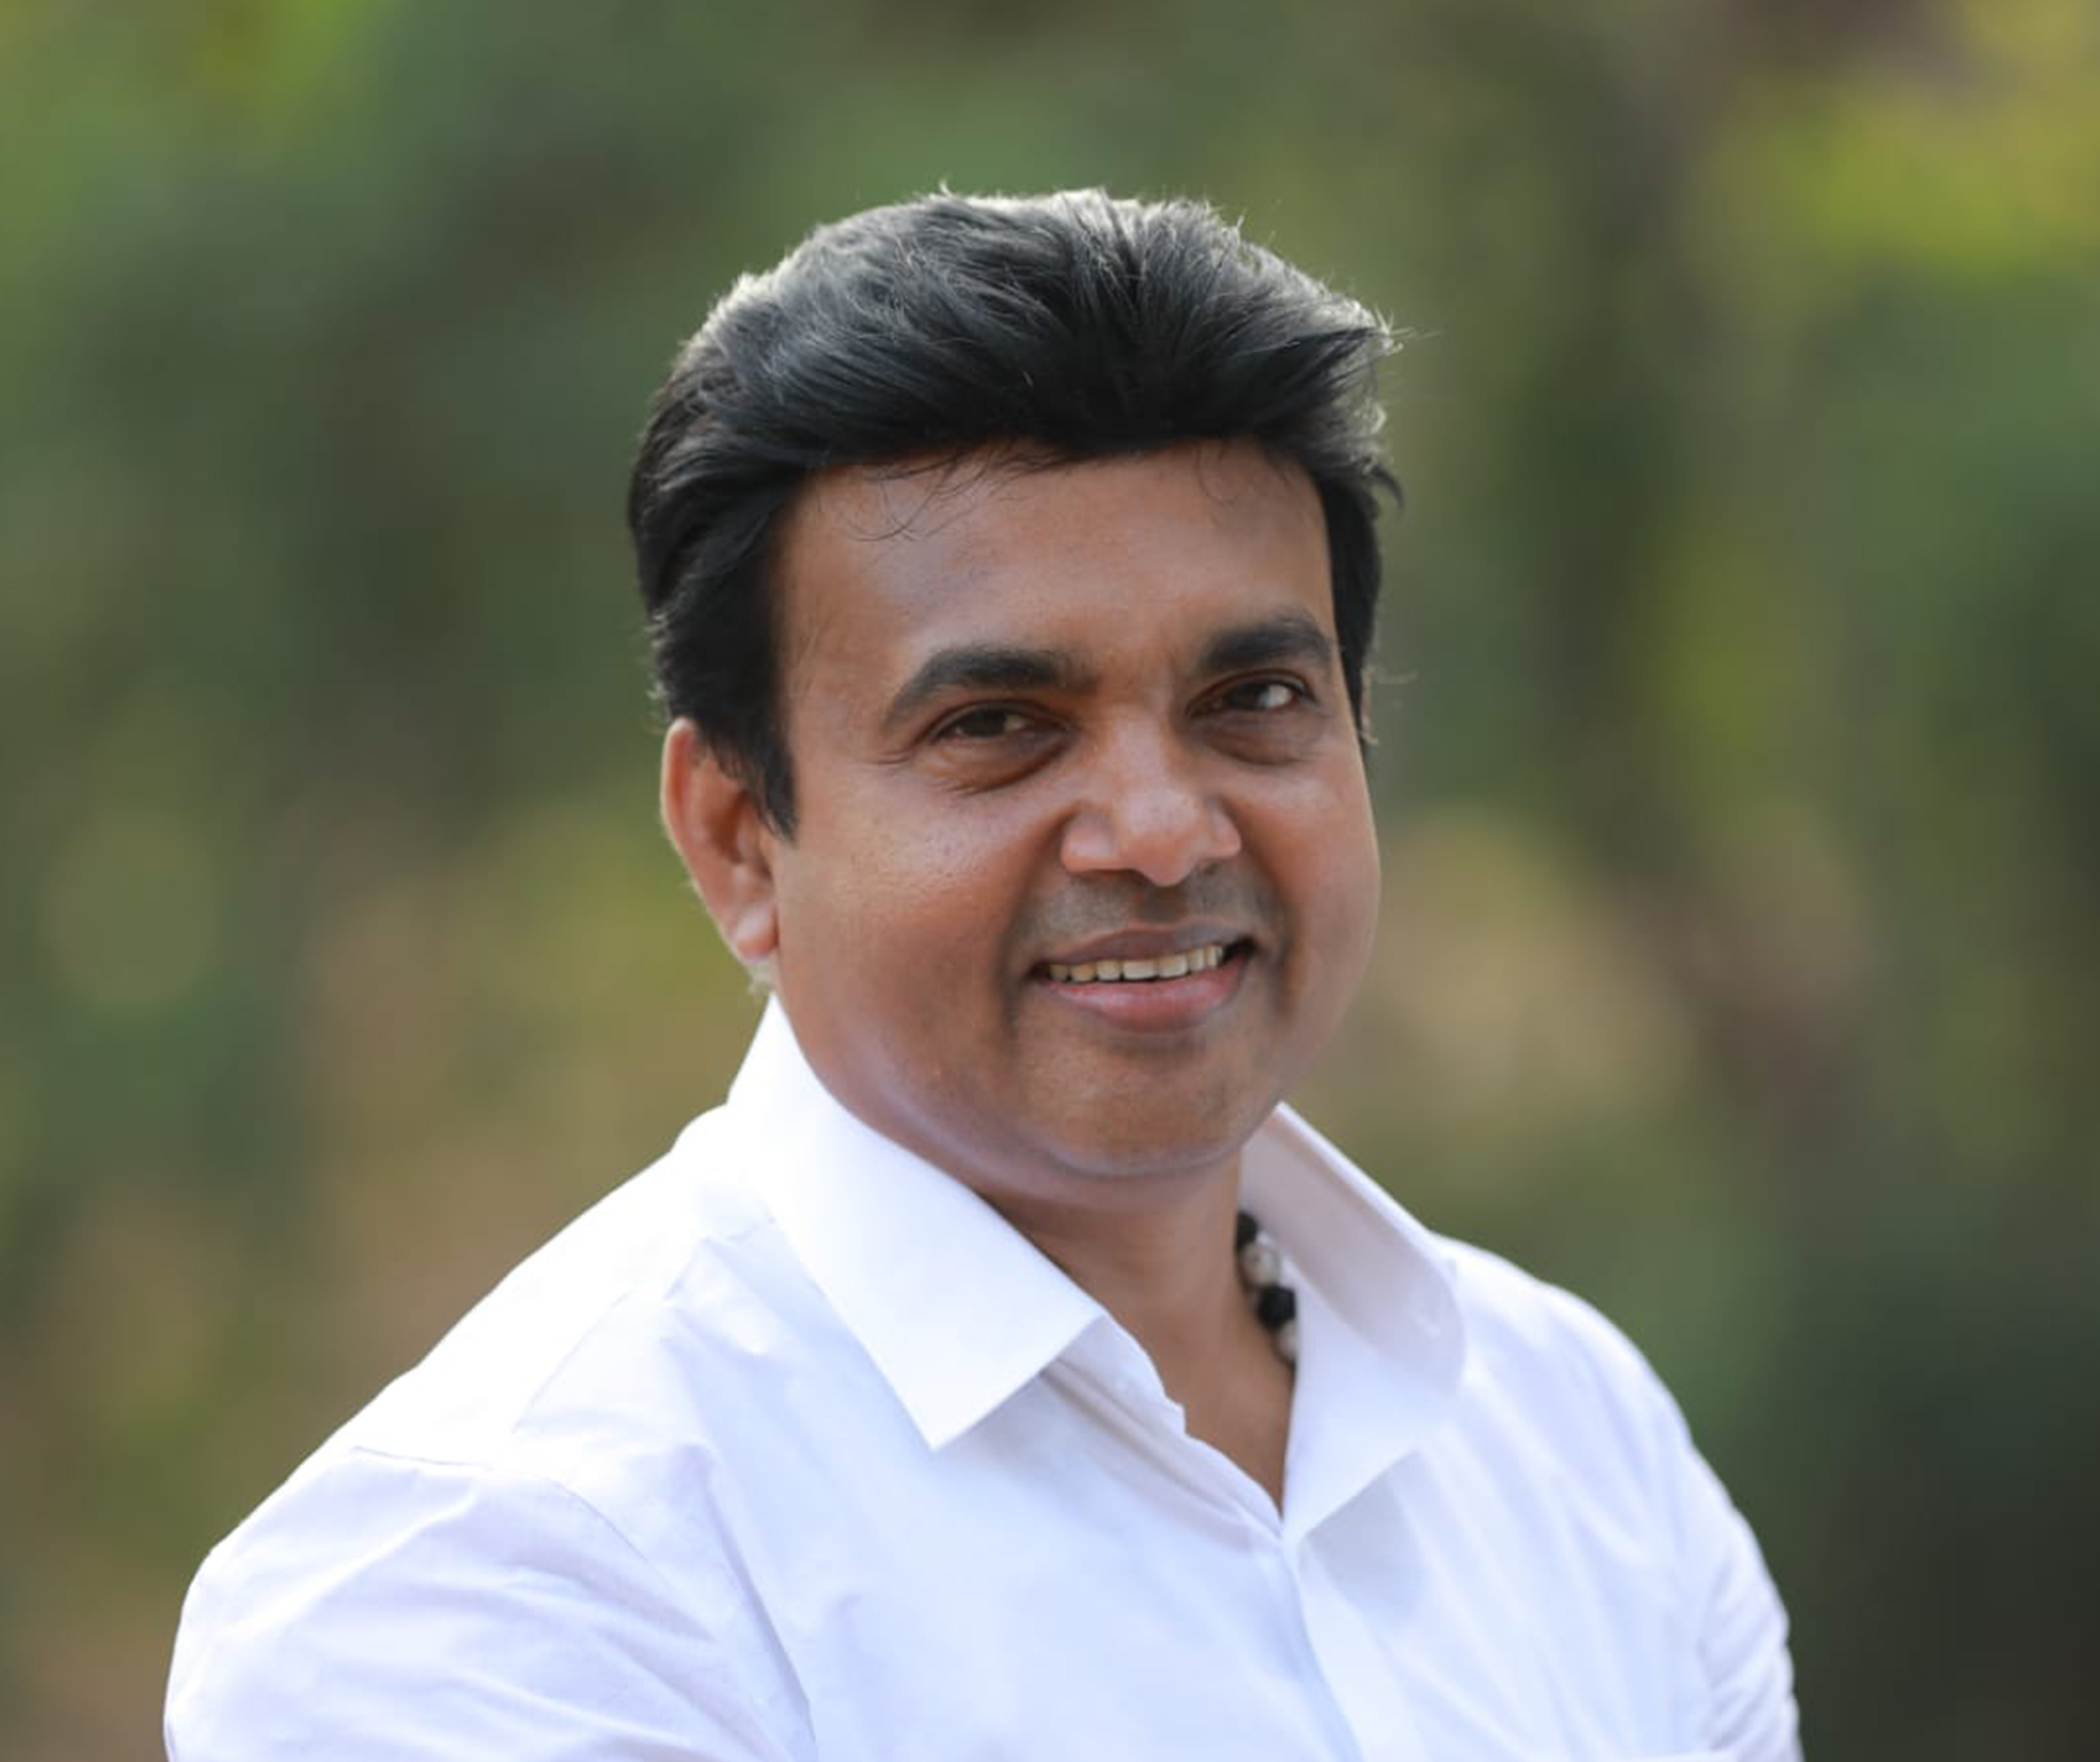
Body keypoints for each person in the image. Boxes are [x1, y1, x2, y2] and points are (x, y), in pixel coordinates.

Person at [166, 190, 1801, 1760]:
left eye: (1252, 701)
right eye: (997, 727)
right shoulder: (498, 1588)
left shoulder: (1573, 1444)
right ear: (738, 839)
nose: (1159, 832)